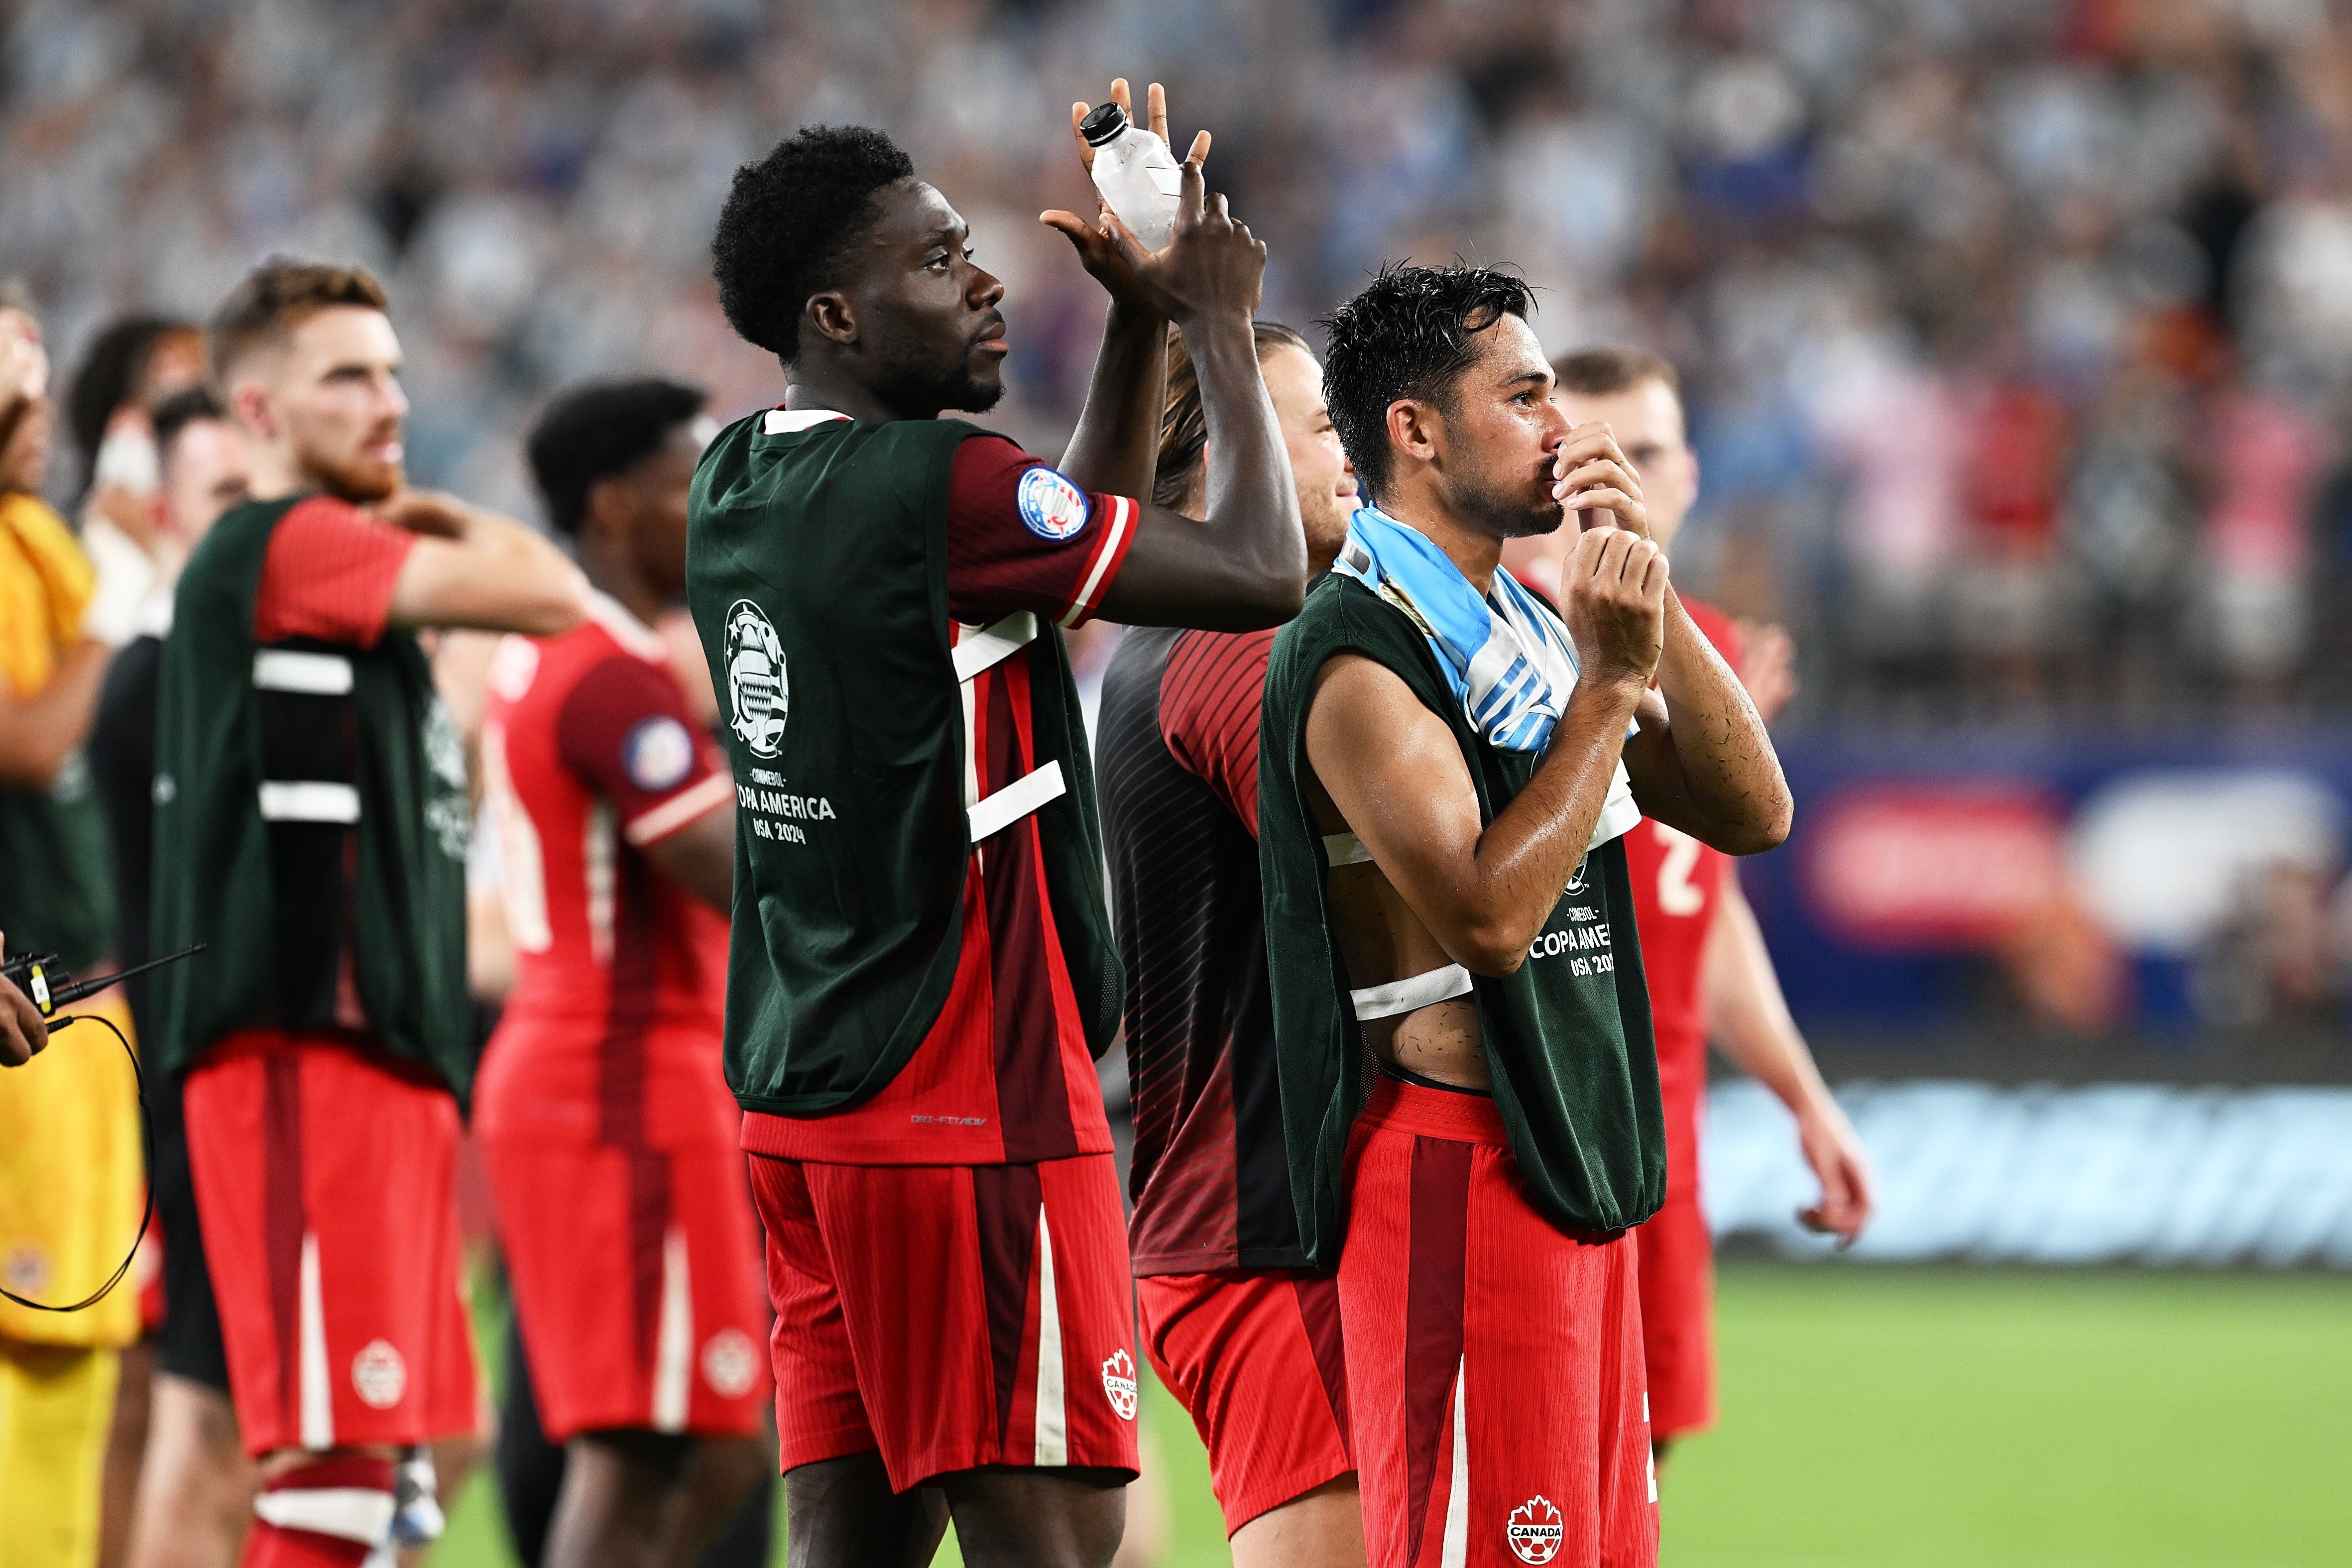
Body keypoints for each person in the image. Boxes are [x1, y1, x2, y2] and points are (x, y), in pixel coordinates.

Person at [688, 82, 1302, 1568]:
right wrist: (1221, 320)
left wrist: (1141, 320)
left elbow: (1041, 544)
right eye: (936, 260)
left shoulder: (738, 476)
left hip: (808, 1094)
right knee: (1063, 1544)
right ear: (836, 315)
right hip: (970, 1104)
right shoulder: (932, 486)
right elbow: (1260, 567)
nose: (982, 283)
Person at [1258, 264, 1793, 1568]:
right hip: (1457, 1171)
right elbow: (1488, 921)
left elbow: (1750, 808)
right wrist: (1611, 686)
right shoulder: (1356, 653)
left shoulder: (1525, 630)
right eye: (1525, 394)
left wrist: (1646, 599)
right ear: (1415, 430)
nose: (1565, 427)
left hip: (1563, 1152)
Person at [148, 257, 588, 1568]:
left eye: (393, 371)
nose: (387, 399)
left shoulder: (345, 581)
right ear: (259, 412)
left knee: (412, 1460)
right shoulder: (289, 543)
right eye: (347, 375)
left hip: (381, 1058)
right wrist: (426, 509)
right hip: (300, 1058)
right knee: (332, 1474)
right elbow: (545, 589)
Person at [1501, 349, 1874, 1463]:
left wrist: (1804, 1097)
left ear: (1690, 475)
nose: (1615, 477)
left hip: (1666, 1137)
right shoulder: (1490, 635)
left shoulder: (1709, 651)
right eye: (1584, 451)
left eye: (1645, 451)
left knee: (1635, 1494)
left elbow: (1703, 903)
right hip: (1539, 1121)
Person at [473, 378, 771, 1568]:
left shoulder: (567, 655)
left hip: (608, 1077)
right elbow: (737, 878)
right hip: (620, 1084)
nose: (714, 506)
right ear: (611, 506)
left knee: (689, 1445)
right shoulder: (609, 678)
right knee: (654, 1446)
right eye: (686, 482)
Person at [1094, 322, 1364, 1567]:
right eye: (1320, 426)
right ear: (1227, 456)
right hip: (1267, 1223)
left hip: (1252, 1211)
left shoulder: (1179, 641)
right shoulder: (1234, 648)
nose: (1351, 451)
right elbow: (1434, 902)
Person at [85, 386, 259, 1568]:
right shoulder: (158, 678)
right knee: (196, 1412)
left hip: (269, 1095)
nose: (254, 522)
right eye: (227, 497)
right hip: (197, 1102)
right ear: (163, 517)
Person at [0, 289, 146, 1568]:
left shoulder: (32, 539)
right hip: (23, 1009)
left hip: (74, 991)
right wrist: (115, 614)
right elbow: (31, 739)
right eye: (15, 380)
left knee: (83, 1366)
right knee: (41, 1360)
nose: (38, 409)